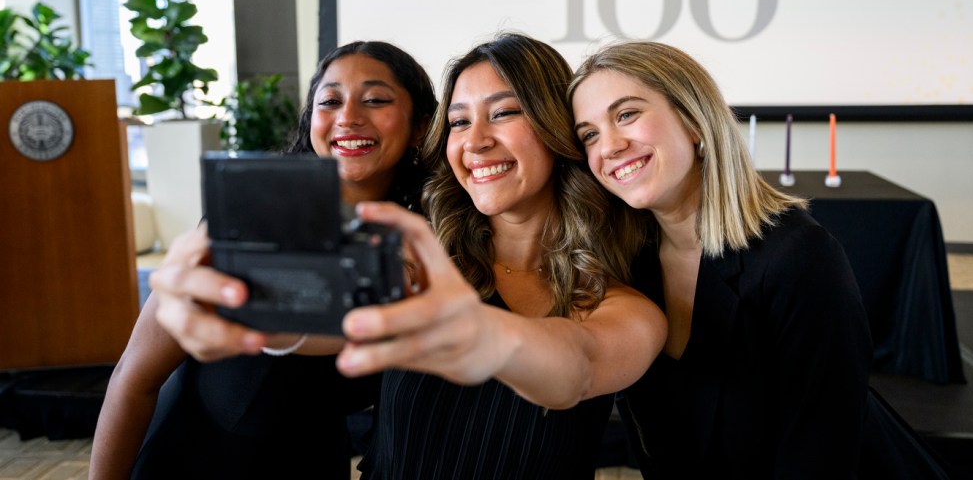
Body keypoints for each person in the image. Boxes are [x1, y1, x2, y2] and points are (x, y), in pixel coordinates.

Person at [147, 32, 668, 479]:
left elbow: (577, 367)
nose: (477, 141)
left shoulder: (622, 306)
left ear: (558, 130)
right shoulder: (420, 262)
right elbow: (317, 324)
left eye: (504, 113)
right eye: (460, 122)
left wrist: (479, 333)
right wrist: (243, 302)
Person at [89, 41, 437, 480]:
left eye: (375, 100)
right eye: (329, 101)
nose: (348, 116)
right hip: (192, 462)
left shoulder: (427, 239)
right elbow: (134, 377)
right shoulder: (249, 216)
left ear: (421, 125)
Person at [568, 40, 874, 479]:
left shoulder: (800, 257)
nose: (610, 146)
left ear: (693, 121)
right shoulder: (629, 264)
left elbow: (821, 454)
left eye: (627, 114)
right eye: (589, 135)